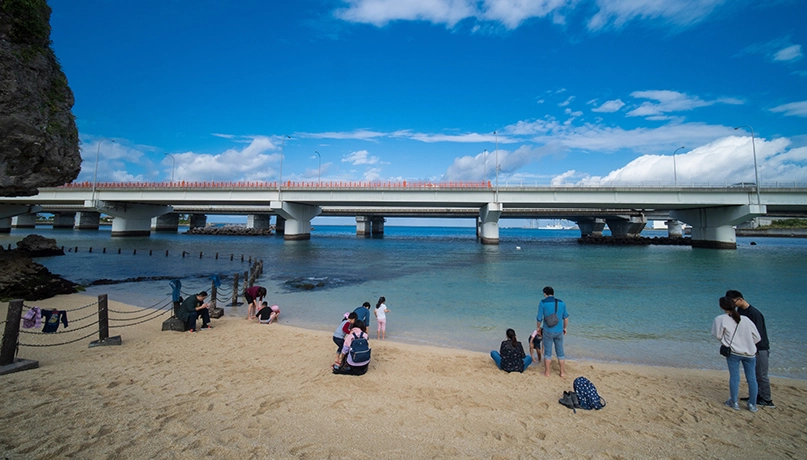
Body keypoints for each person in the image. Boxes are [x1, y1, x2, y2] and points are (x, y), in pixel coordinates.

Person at [726, 290, 775, 408]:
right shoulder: (741, 311)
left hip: (760, 348)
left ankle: (767, 399)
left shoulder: (754, 313)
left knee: (761, 375)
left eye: (733, 302)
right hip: (749, 348)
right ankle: (756, 395)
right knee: (753, 374)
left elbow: (758, 334)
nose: (733, 305)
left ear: (740, 299)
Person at [712, 296, 761, 412]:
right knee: (752, 378)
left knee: (735, 377)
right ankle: (752, 404)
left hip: (733, 352)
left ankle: (734, 402)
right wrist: (747, 344)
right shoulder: (746, 319)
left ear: (722, 307)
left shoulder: (720, 319)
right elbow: (757, 337)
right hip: (750, 353)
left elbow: (718, 335)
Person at [536, 286, 569, 377]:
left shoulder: (542, 303)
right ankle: (562, 372)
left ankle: (547, 372)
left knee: (548, 352)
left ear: (545, 294)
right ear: (553, 293)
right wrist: (564, 328)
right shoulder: (561, 303)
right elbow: (565, 318)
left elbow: (539, 318)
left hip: (548, 331)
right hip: (559, 331)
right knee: (560, 351)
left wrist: (538, 329)